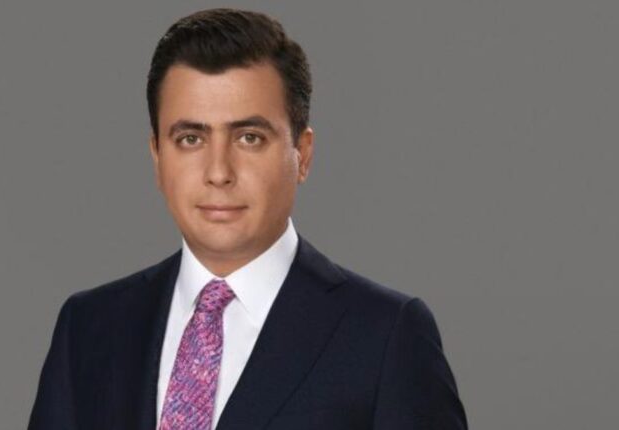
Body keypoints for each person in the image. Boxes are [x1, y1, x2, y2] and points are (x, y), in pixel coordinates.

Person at [28, 8, 467, 430]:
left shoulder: (385, 335)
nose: (219, 172)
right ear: (157, 157)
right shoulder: (90, 327)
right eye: (191, 138)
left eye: (249, 137)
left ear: (302, 154)